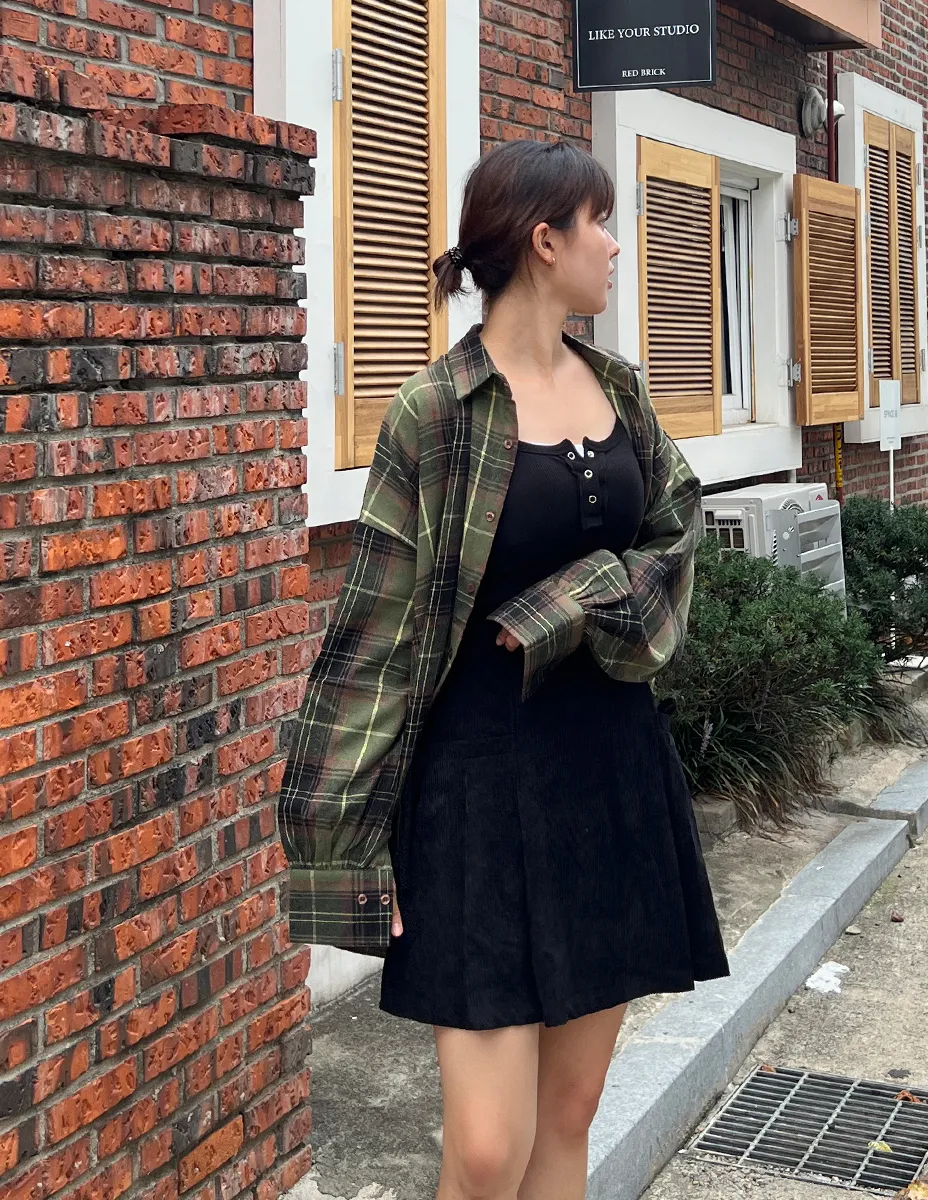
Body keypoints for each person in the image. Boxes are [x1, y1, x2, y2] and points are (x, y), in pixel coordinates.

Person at [279, 139, 729, 1200]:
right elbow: (374, 637)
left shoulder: (618, 388)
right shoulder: (436, 411)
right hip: (474, 792)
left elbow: (675, 535)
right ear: (543, 241)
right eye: (600, 222)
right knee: (487, 1152)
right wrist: (338, 852)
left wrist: (569, 603)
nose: (616, 244)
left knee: (569, 1118)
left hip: (611, 775)